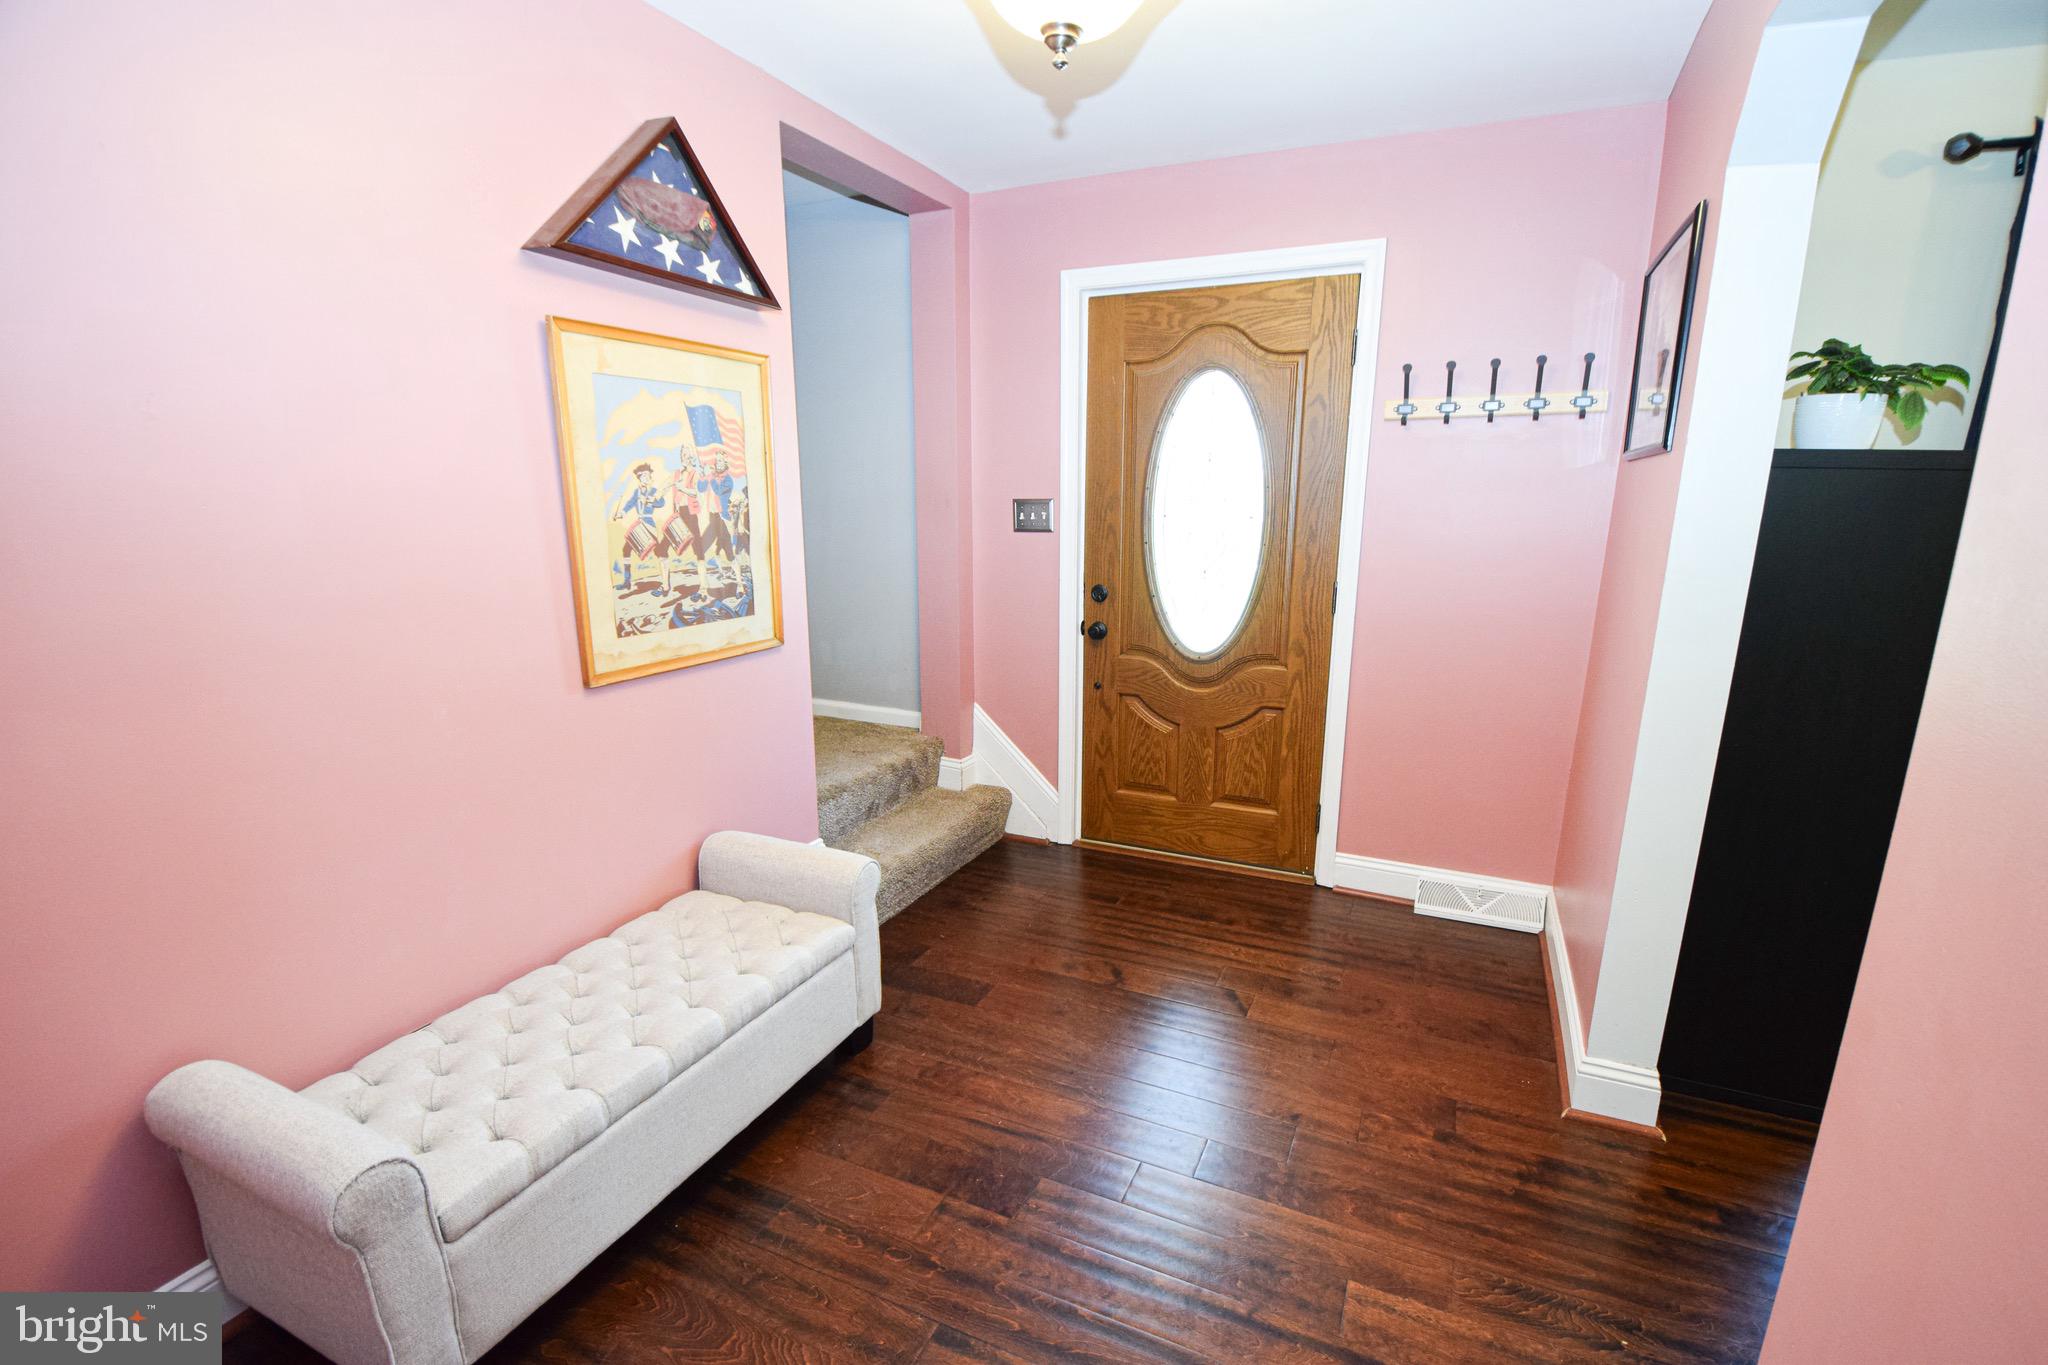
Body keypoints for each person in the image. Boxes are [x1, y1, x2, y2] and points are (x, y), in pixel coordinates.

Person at [608, 462, 665, 594]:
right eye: (643, 476)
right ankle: (627, 581)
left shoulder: (654, 491)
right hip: (639, 524)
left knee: (658, 551)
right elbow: (629, 504)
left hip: (649, 524)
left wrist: (653, 501)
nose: (646, 478)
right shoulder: (637, 492)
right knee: (626, 549)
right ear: (639, 478)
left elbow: (662, 502)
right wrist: (620, 513)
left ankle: (664, 583)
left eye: (648, 476)